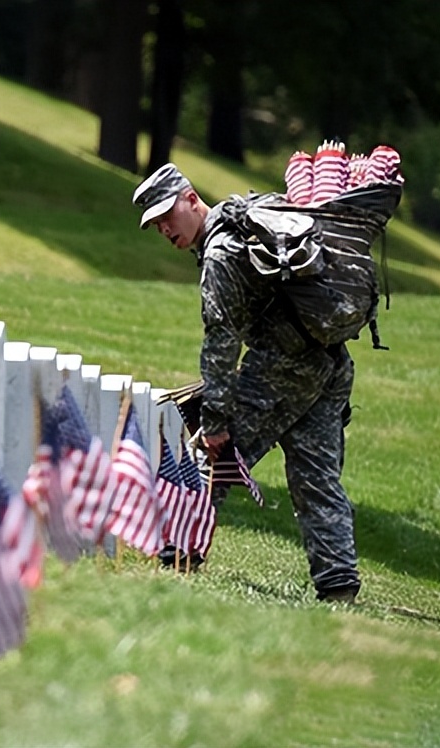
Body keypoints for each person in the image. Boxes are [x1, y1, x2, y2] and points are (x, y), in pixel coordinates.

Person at [132, 163, 361, 604]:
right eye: (156, 224)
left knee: (210, 457)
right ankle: (339, 587)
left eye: (168, 215)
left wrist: (216, 419)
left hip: (283, 367)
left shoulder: (220, 254)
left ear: (192, 199)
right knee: (316, 476)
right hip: (327, 363)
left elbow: (221, 340)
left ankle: (178, 555)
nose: (164, 228)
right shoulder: (244, 224)